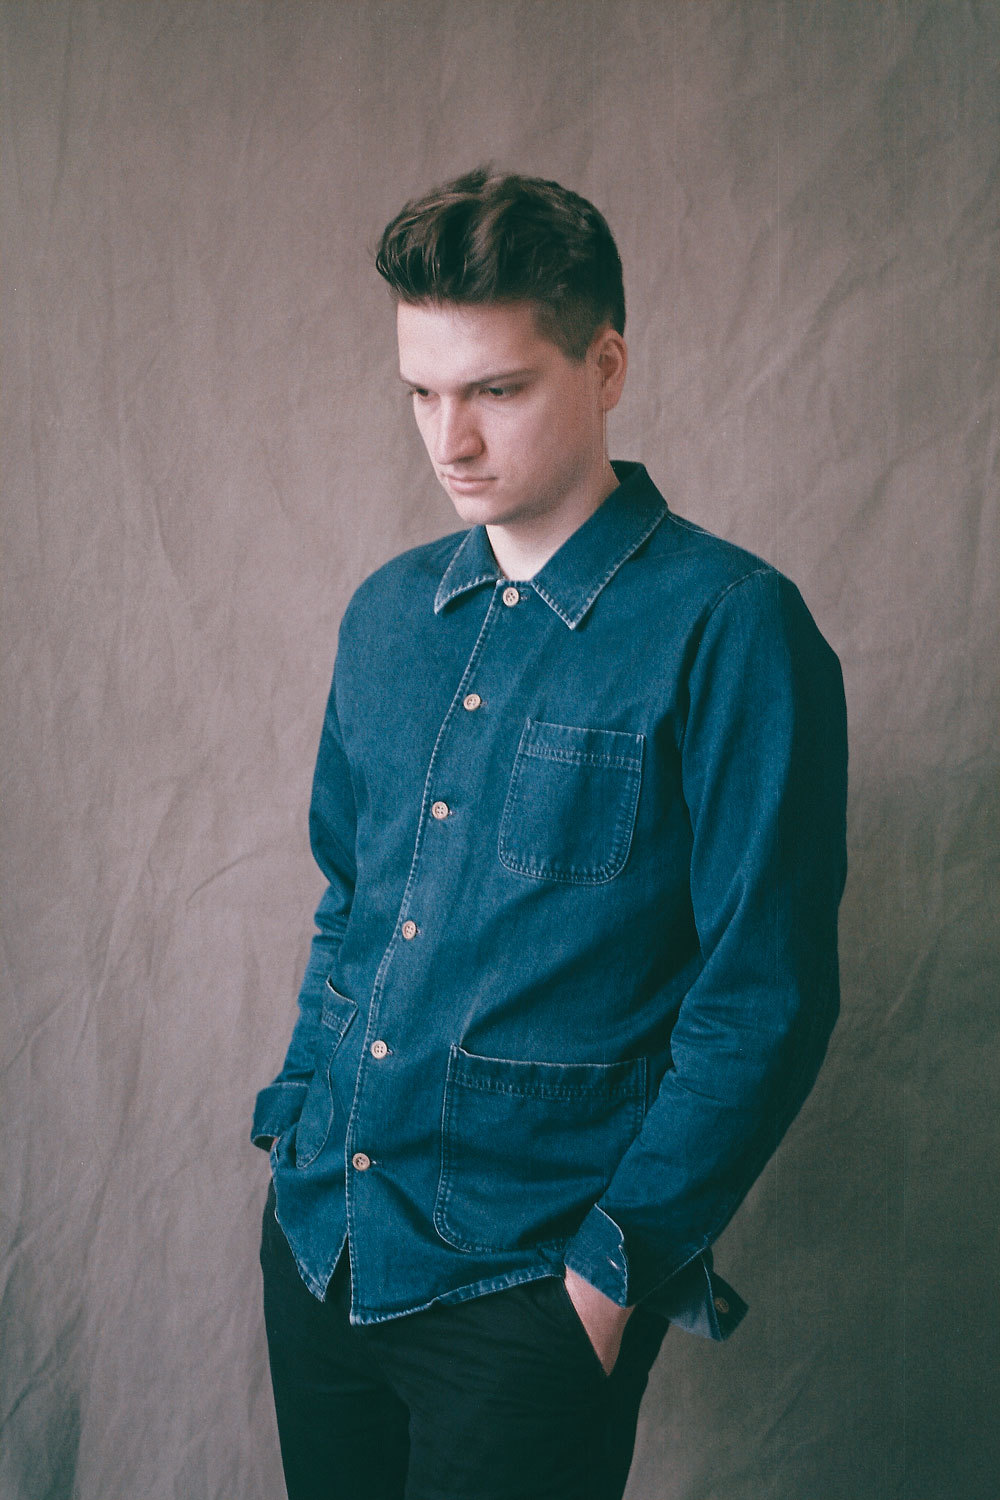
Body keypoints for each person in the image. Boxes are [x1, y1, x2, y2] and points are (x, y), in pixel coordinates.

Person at [252, 166, 848, 1500]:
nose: (450, 440)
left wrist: (610, 1277)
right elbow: (350, 901)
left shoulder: (731, 628)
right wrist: (294, 1119)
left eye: (497, 390)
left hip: (527, 1299)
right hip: (323, 1245)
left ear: (606, 365)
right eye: (421, 393)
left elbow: (763, 996)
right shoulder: (386, 616)